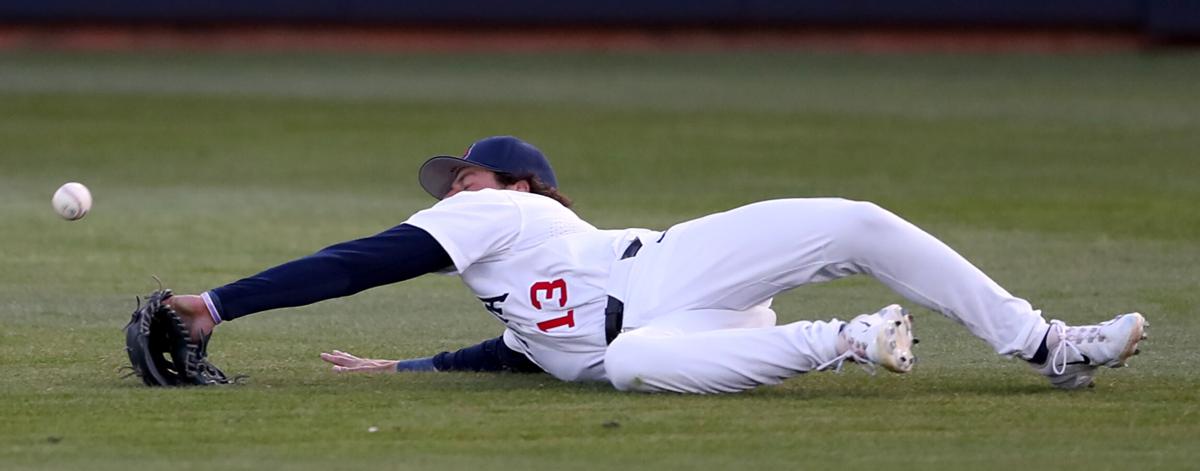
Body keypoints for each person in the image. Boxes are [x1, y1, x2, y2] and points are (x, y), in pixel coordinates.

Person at [165, 135, 1147, 394]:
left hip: (673, 266)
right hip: (685, 331)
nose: (448, 191)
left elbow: (361, 262)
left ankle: (1045, 343)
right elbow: (519, 353)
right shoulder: (517, 291)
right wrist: (402, 372)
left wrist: (218, 304)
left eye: (460, 176)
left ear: (520, 184)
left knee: (854, 220)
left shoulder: (501, 213)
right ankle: (848, 340)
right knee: (623, 366)